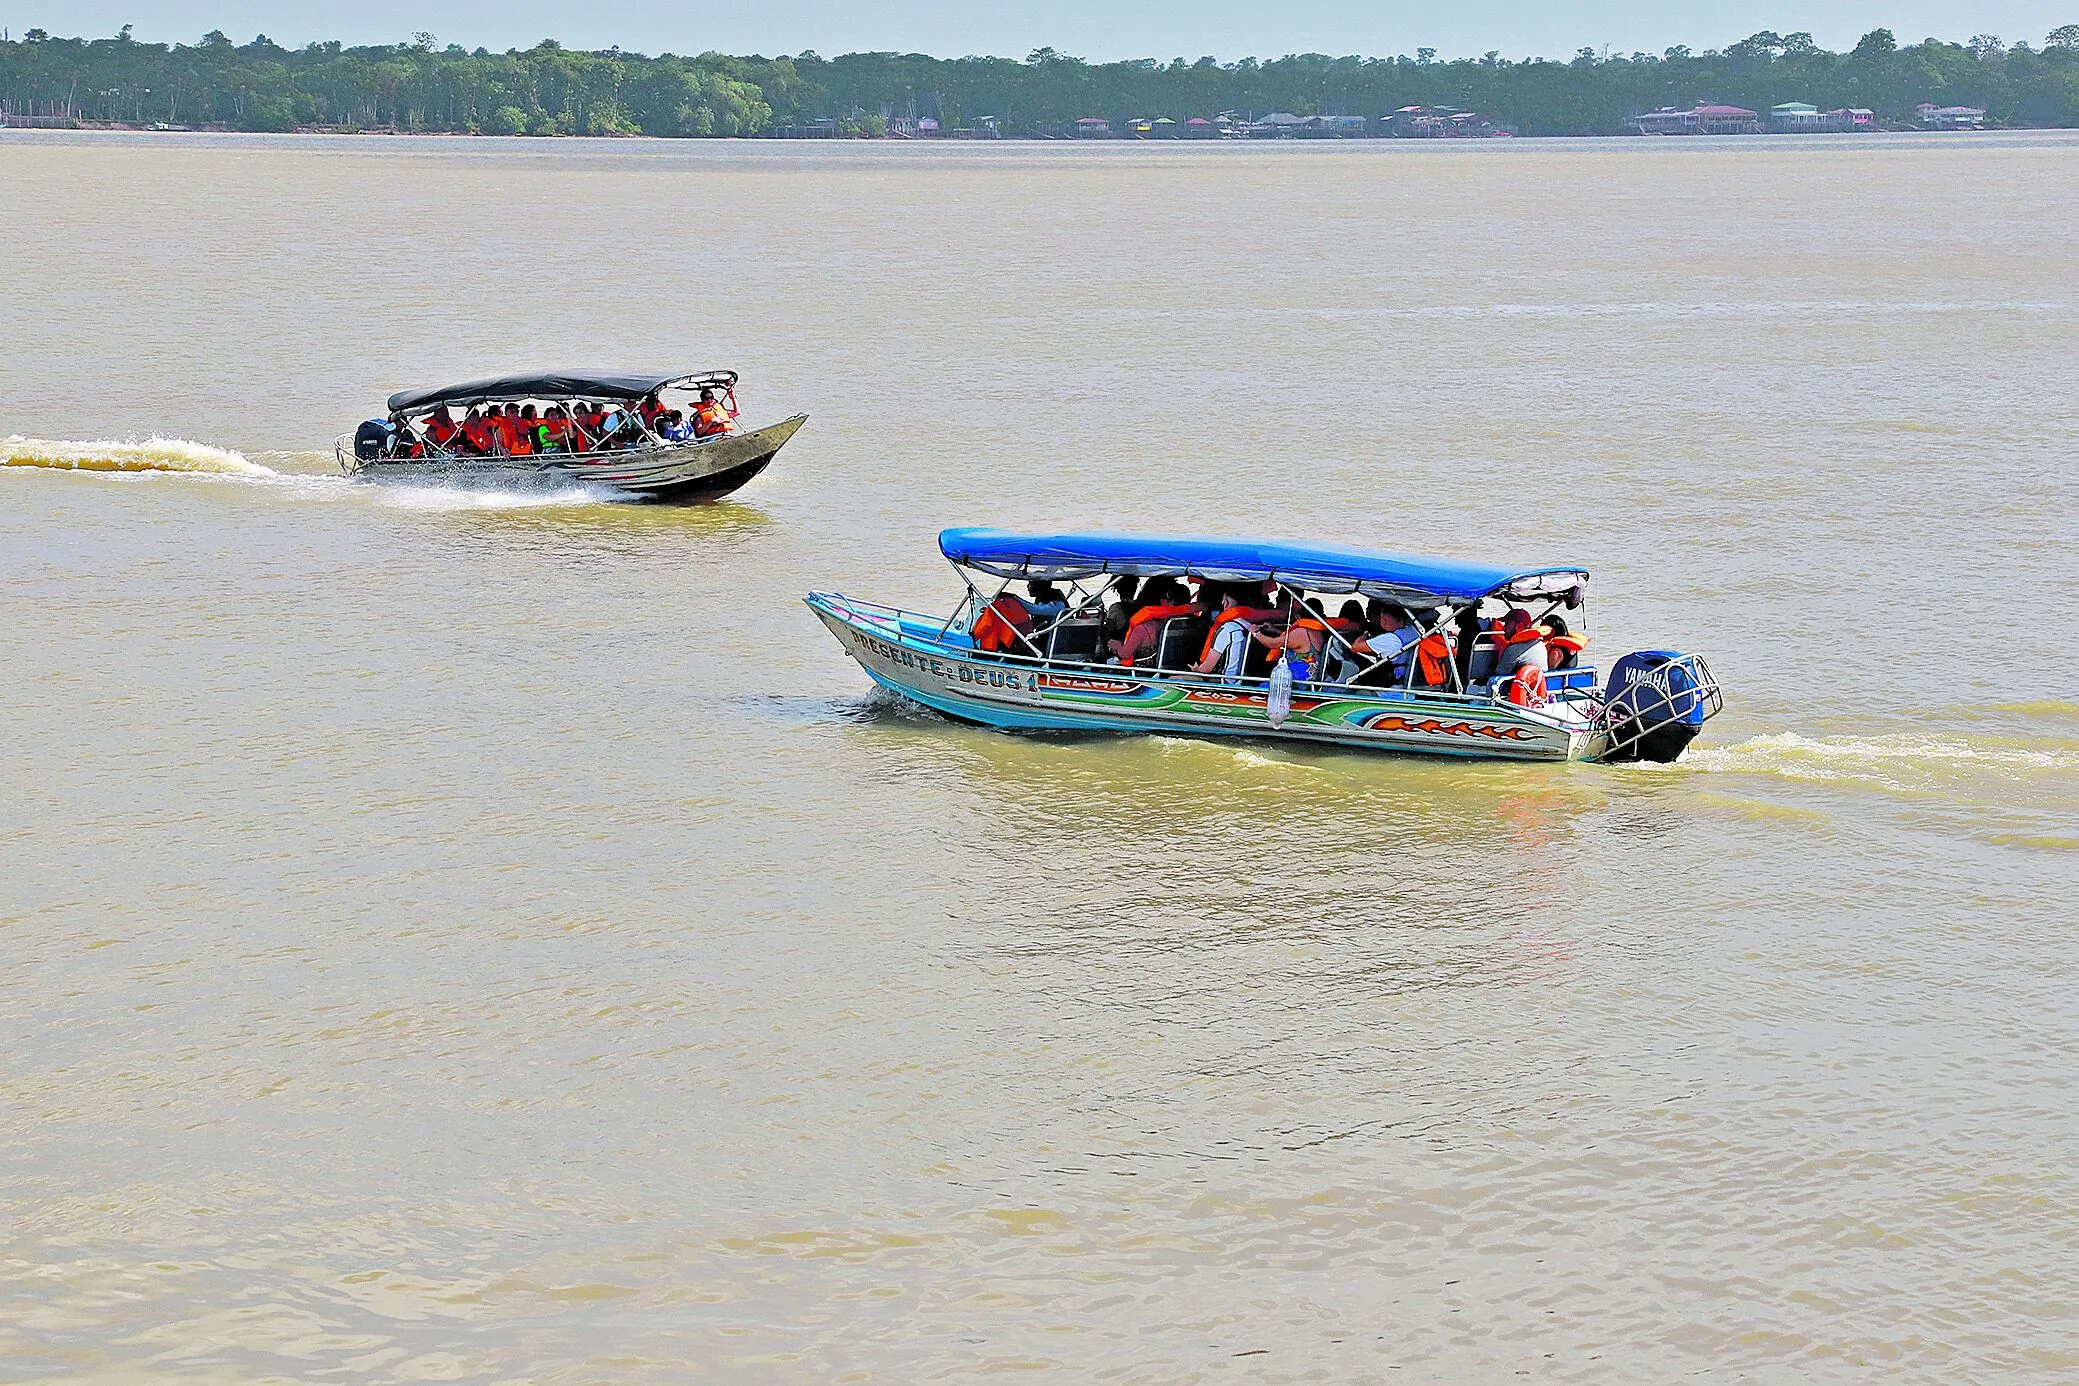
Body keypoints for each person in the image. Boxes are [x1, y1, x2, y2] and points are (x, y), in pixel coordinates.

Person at [1107, 578, 1198, 667]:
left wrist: (1117, 646)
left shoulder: (1143, 628)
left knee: (1107, 661)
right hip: (1177, 666)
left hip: (1143, 673)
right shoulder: (1185, 622)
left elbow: (1125, 654)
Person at [1190, 588, 1256, 683]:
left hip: (1226, 682)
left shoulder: (1227, 629)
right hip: (1246, 680)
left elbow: (1206, 669)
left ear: (1226, 603)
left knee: (1174, 679)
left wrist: (1195, 669)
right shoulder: (1251, 626)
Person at [1493, 608, 1549, 679]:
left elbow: (1498, 676)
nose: (1504, 628)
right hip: (1540, 685)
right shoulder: (1540, 644)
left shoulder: (1514, 650)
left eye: (1507, 624)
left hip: (1518, 688)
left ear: (1519, 626)